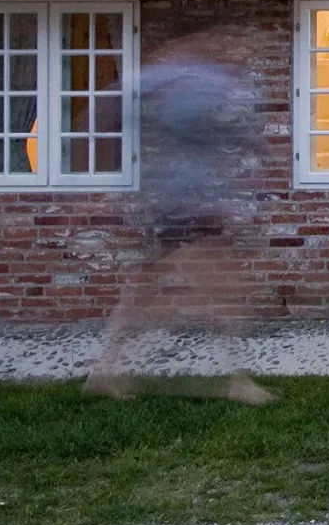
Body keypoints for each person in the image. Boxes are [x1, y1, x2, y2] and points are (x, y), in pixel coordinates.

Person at [85, 28, 273, 403]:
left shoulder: (208, 81)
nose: (228, 50)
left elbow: (228, 133)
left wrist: (255, 150)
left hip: (188, 202)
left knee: (148, 287)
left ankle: (104, 370)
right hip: (186, 205)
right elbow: (107, 107)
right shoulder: (170, 78)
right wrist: (102, 169)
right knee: (223, 288)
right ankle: (238, 380)